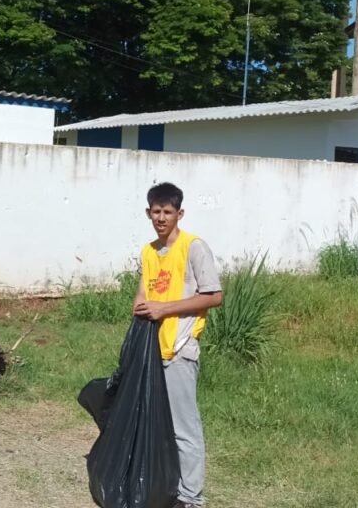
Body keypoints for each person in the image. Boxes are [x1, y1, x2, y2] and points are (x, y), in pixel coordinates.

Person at [132, 182, 223, 508]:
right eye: (155, 211)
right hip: (152, 352)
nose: (161, 217)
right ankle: (166, 485)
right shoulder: (148, 251)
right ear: (148, 213)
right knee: (156, 423)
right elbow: (144, 294)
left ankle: (191, 499)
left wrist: (164, 309)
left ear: (179, 213)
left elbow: (214, 296)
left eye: (167, 212)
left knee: (184, 429)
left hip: (179, 350)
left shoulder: (194, 247)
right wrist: (141, 306)